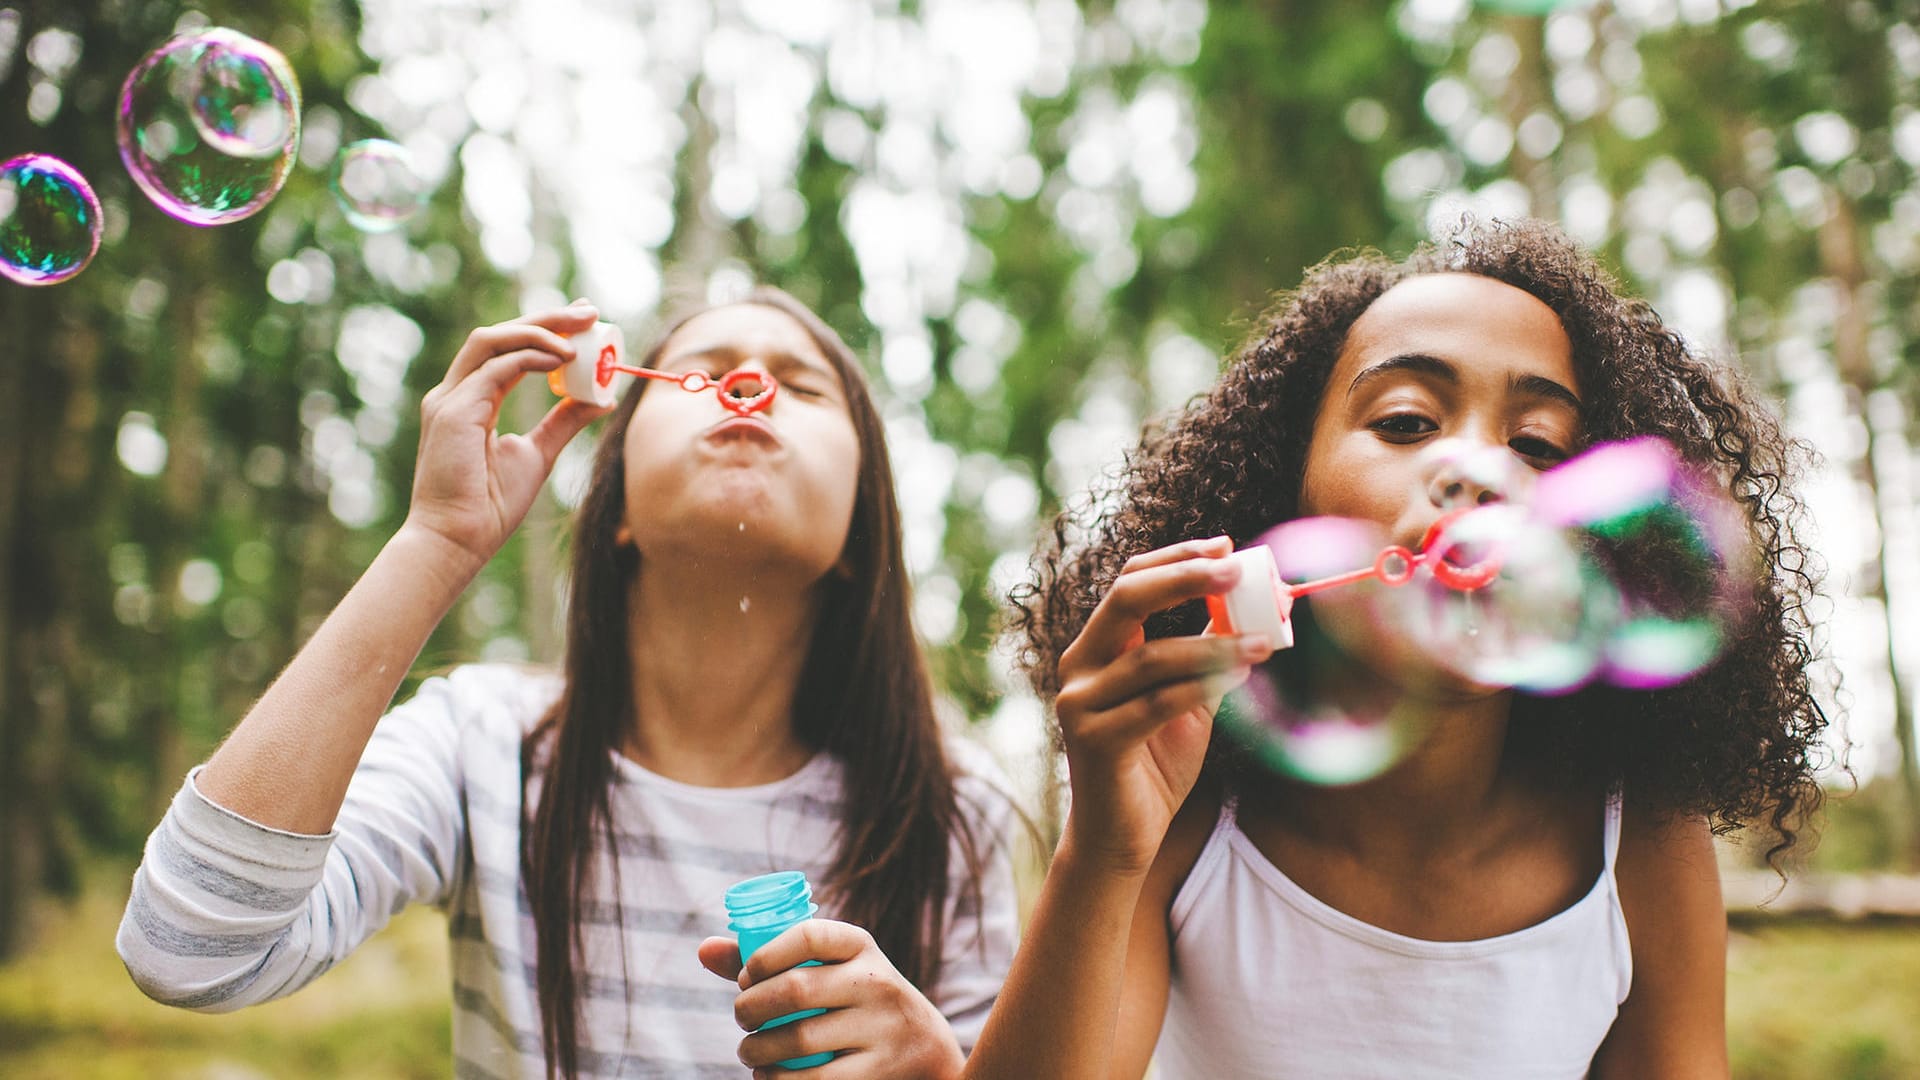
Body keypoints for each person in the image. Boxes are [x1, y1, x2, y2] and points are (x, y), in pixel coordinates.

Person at [964, 218, 1827, 1079]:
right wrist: (1102, 857)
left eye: (1536, 445)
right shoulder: (1191, 809)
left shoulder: (1635, 831)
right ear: (1282, 483)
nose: (1475, 474)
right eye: (1409, 421)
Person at [117, 287, 1019, 1080]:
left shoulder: (946, 806)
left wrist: (941, 1073)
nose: (751, 383)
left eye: (804, 383)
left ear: (863, 535)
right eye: (705, 368)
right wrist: (435, 545)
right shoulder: (484, 745)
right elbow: (188, 950)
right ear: (617, 506)